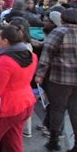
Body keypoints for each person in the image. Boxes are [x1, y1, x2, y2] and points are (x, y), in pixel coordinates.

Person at [0, 25, 37, 152]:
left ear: (6, 41)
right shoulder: (31, 56)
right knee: (13, 142)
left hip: (5, 109)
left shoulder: (4, 62)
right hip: (25, 104)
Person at [35, 8, 77, 152]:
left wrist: (40, 74)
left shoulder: (59, 32)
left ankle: (54, 141)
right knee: (74, 110)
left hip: (59, 77)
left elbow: (47, 53)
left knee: (57, 109)